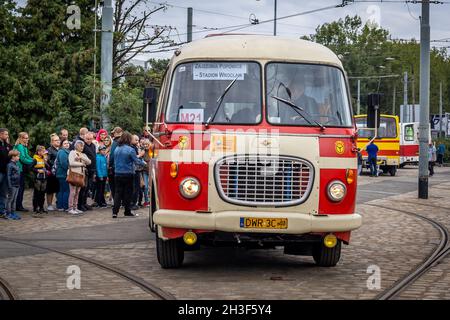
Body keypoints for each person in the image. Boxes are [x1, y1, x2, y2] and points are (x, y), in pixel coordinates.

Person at [112, 131, 145, 218]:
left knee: (118, 193)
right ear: (128, 139)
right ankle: (127, 211)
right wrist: (144, 163)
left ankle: (115, 212)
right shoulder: (130, 149)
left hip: (117, 173)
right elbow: (136, 161)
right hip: (128, 173)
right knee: (128, 193)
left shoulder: (117, 149)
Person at [14, 132, 36, 211]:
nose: (27, 139)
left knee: (22, 187)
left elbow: (27, 157)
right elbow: (22, 159)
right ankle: (18, 206)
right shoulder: (19, 146)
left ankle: (19, 205)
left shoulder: (24, 147)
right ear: (21, 139)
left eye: (27, 138)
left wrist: (33, 160)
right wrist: (32, 162)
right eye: (25, 138)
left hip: (22, 170)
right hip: (18, 169)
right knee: (20, 188)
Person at [68, 140, 91, 215]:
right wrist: (81, 164)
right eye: (81, 146)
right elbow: (71, 163)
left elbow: (89, 162)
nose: (82, 147)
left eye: (83, 146)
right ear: (77, 146)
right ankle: (70, 208)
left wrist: (81, 157)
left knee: (77, 192)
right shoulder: (72, 152)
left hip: (81, 175)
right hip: (74, 174)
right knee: (73, 192)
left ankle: (75, 207)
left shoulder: (83, 154)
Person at [78, 132, 96, 212]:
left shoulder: (93, 145)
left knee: (88, 188)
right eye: (87, 139)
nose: (89, 140)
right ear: (84, 138)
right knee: (83, 188)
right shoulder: (83, 146)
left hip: (92, 170)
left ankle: (84, 203)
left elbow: (94, 157)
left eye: (90, 139)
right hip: (85, 170)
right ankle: (80, 204)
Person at [32, 146, 50, 215]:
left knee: (42, 193)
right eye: (43, 151)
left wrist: (45, 161)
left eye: (44, 151)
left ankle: (41, 207)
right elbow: (30, 168)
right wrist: (37, 170)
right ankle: (35, 207)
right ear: (39, 152)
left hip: (44, 178)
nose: (44, 153)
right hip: (37, 178)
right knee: (37, 193)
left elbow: (48, 167)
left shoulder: (43, 159)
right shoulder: (35, 159)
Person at [5, 150, 21, 220]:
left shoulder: (16, 164)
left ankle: (13, 212)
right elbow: (8, 175)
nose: (18, 158)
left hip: (17, 184)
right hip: (12, 185)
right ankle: (8, 213)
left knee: (14, 199)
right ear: (13, 157)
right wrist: (9, 185)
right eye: (17, 156)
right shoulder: (9, 165)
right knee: (10, 199)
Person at [0, 128, 12, 219]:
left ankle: (2, 211)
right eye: (6, 134)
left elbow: (10, 155)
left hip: (6, 172)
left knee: (4, 193)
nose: (7, 136)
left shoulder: (7, 145)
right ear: (1, 134)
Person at [46, 133, 60, 211]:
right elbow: (47, 161)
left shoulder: (61, 149)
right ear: (52, 142)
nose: (58, 141)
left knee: (58, 188)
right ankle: (49, 204)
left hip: (59, 172)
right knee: (50, 189)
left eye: (58, 140)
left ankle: (58, 203)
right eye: (56, 140)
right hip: (51, 172)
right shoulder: (49, 150)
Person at [55, 139, 71, 212]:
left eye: (67, 143)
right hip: (63, 174)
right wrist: (70, 169)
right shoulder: (62, 152)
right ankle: (64, 206)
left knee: (62, 190)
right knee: (65, 190)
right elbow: (64, 163)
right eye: (65, 143)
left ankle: (60, 206)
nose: (67, 144)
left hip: (62, 174)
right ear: (61, 145)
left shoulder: (67, 151)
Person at [108, 127, 123, 201]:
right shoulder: (125, 141)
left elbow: (112, 155)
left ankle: (117, 201)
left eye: (114, 132)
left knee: (114, 185)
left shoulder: (115, 142)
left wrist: (110, 165)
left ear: (116, 133)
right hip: (123, 167)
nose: (113, 134)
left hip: (115, 167)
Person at [131, 134, 143, 209]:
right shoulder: (132, 148)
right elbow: (135, 158)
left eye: (138, 140)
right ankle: (133, 203)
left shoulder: (135, 147)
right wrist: (141, 154)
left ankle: (134, 202)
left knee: (137, 187)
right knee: (135, 187)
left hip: (136, 169)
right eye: (136, 140)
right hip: (135, 170)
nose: (137, 141)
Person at [141, 139, 152, 207]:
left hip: (151, 171)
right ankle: (146, 201)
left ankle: (151, 200)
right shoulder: (143, 151)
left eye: (147, 144)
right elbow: (140, 159)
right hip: (145, 171)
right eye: (144, 144)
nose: (145, 146)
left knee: (151, 186)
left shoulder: (152, 151)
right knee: (145, 187)